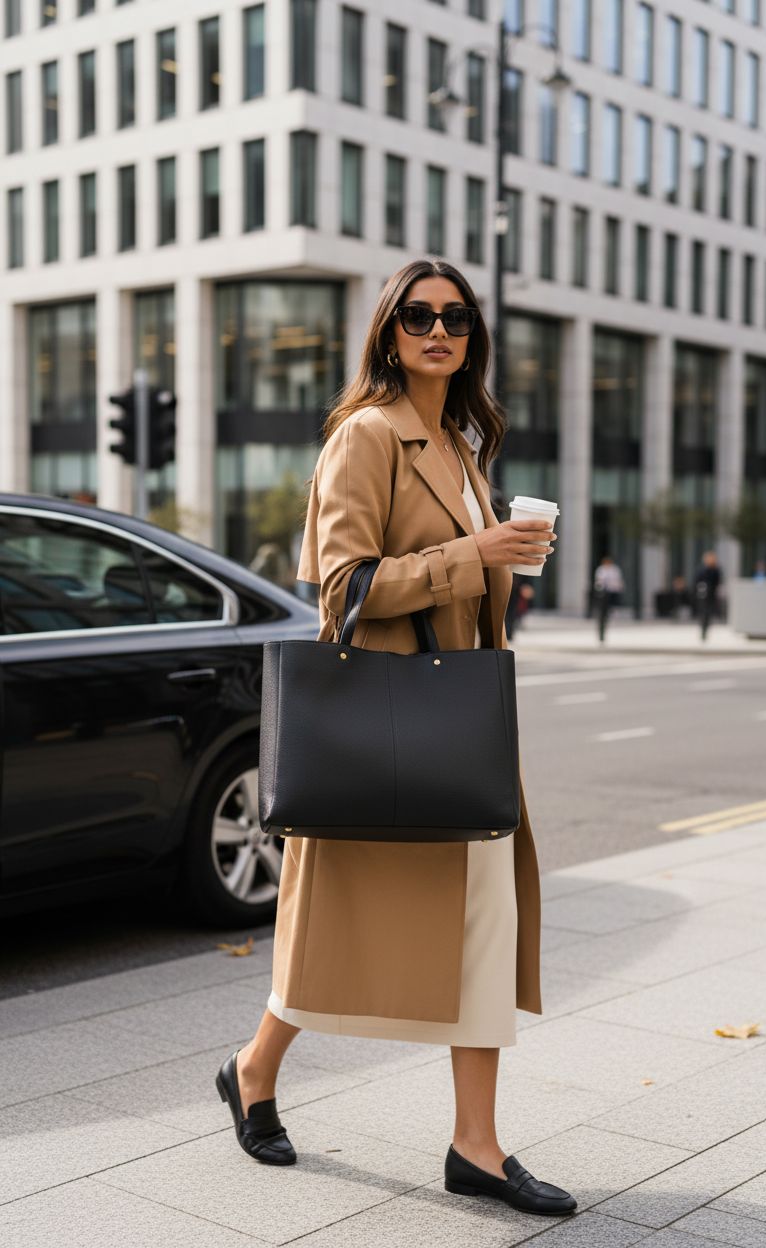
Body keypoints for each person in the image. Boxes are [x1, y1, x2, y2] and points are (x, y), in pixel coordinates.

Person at [216, 259, 576, 1217]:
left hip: (459, 728)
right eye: (417, 315)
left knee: (483, 931)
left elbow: (454, 581)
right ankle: (253, 1070)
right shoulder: (365, 436)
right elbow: (342, 590)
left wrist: (504, 560)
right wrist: (475, 555)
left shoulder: (459, 444)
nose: (437, 330)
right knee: (333, 937)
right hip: (394, 727)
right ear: (388, 332)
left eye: (455, 317)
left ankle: (477, 1146)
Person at [592, 555, 624, 642]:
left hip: (612, 592)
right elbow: (599, 581)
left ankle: (613, 612)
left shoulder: (614, 570)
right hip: (603, 594)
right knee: (602, 614)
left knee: (612, 607)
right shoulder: (601, 570)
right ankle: (601, 634)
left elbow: (617, 581)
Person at [693, 549, 723, 640]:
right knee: (703, 613)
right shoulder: (702, 570)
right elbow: (696, 582)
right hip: (702, 595)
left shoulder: (716, 570)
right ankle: (703, 630)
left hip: (711, 595)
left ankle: (705, 630)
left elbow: (718, 582)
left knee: (708, 614)